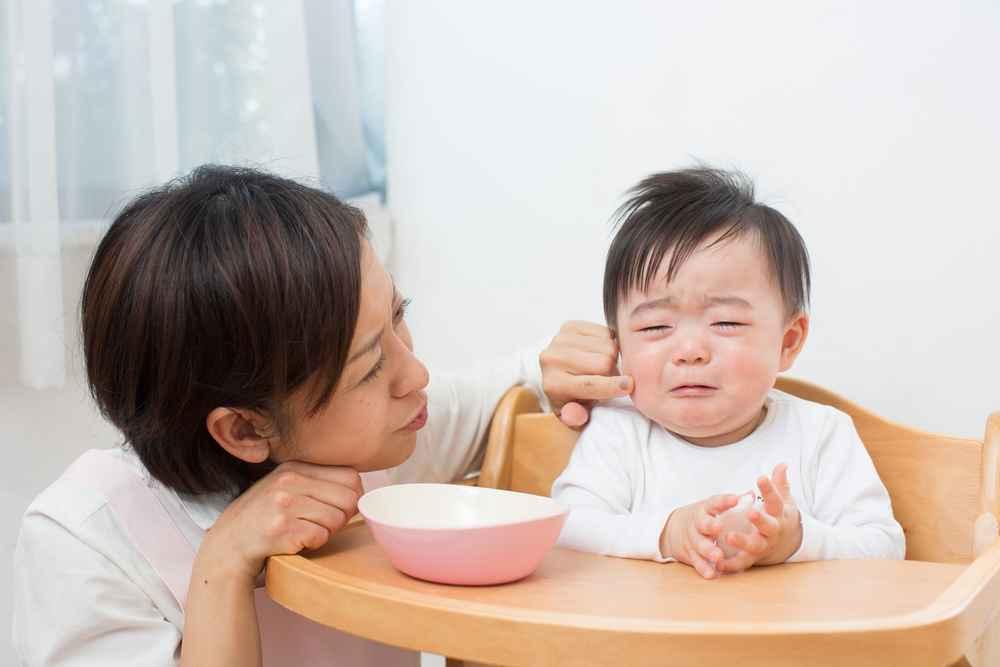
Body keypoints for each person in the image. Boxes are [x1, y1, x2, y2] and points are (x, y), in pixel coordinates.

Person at [12, 165, 627, 666]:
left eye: (398, 315)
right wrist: (223, 567)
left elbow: (497, 391)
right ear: (245, 429)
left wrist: (553, 367)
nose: (416, 375)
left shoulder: (380, 446)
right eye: (367, 369)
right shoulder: (85, 541)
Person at [552, 168, 905, 579]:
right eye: (654, 327)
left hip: (782, 642)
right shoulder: (618, 431)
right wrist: (666, 534)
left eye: (726, 323)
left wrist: (796, 542)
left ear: (787, 341)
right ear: (619, 348)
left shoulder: (820, 433)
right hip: (644, 642)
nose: (690, 351)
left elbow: (884, 546)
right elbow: (566, 529)